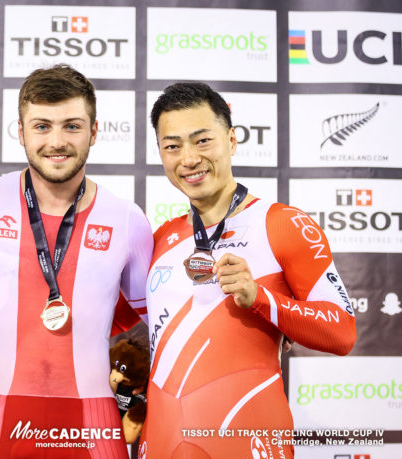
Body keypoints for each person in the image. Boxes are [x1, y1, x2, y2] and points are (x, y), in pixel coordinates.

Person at [0, 64, 153, 458]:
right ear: (20, 133)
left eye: (72, 126)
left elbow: (152, 323)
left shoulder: (126, 218)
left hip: (93, 420)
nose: (57, 141)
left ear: (94, 130)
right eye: (41, 126)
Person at [138, 82, 357, 458]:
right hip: (160, 441)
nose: (188, 159)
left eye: (202, 140)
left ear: (233, 139)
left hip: (249, 438)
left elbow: (341, 331)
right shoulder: (161, 238)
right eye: (172, 146)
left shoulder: (283, 224)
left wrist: (262, 298)